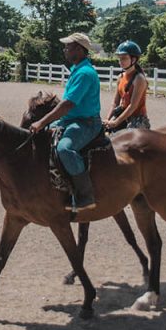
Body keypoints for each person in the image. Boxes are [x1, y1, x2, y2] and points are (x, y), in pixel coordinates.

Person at [28, 32, 103, 212]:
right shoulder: (77, 69)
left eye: (68, 46)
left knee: (65, 149)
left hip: (86, 123)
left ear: (78, 48)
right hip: (71, 120)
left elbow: (67, 104)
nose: (65, 49)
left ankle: (85, 195)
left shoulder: (84, 73)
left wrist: (41, 122)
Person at [105, 40, 150, 131]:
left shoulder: (139, 79)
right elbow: (115, 103)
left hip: (138, 119)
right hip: (123, 116)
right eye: (119, 58)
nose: (120, 61)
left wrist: (116, 122)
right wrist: (107, 119)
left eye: (124, 58)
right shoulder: (120, 77)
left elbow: (133, 106)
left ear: (133, 60)